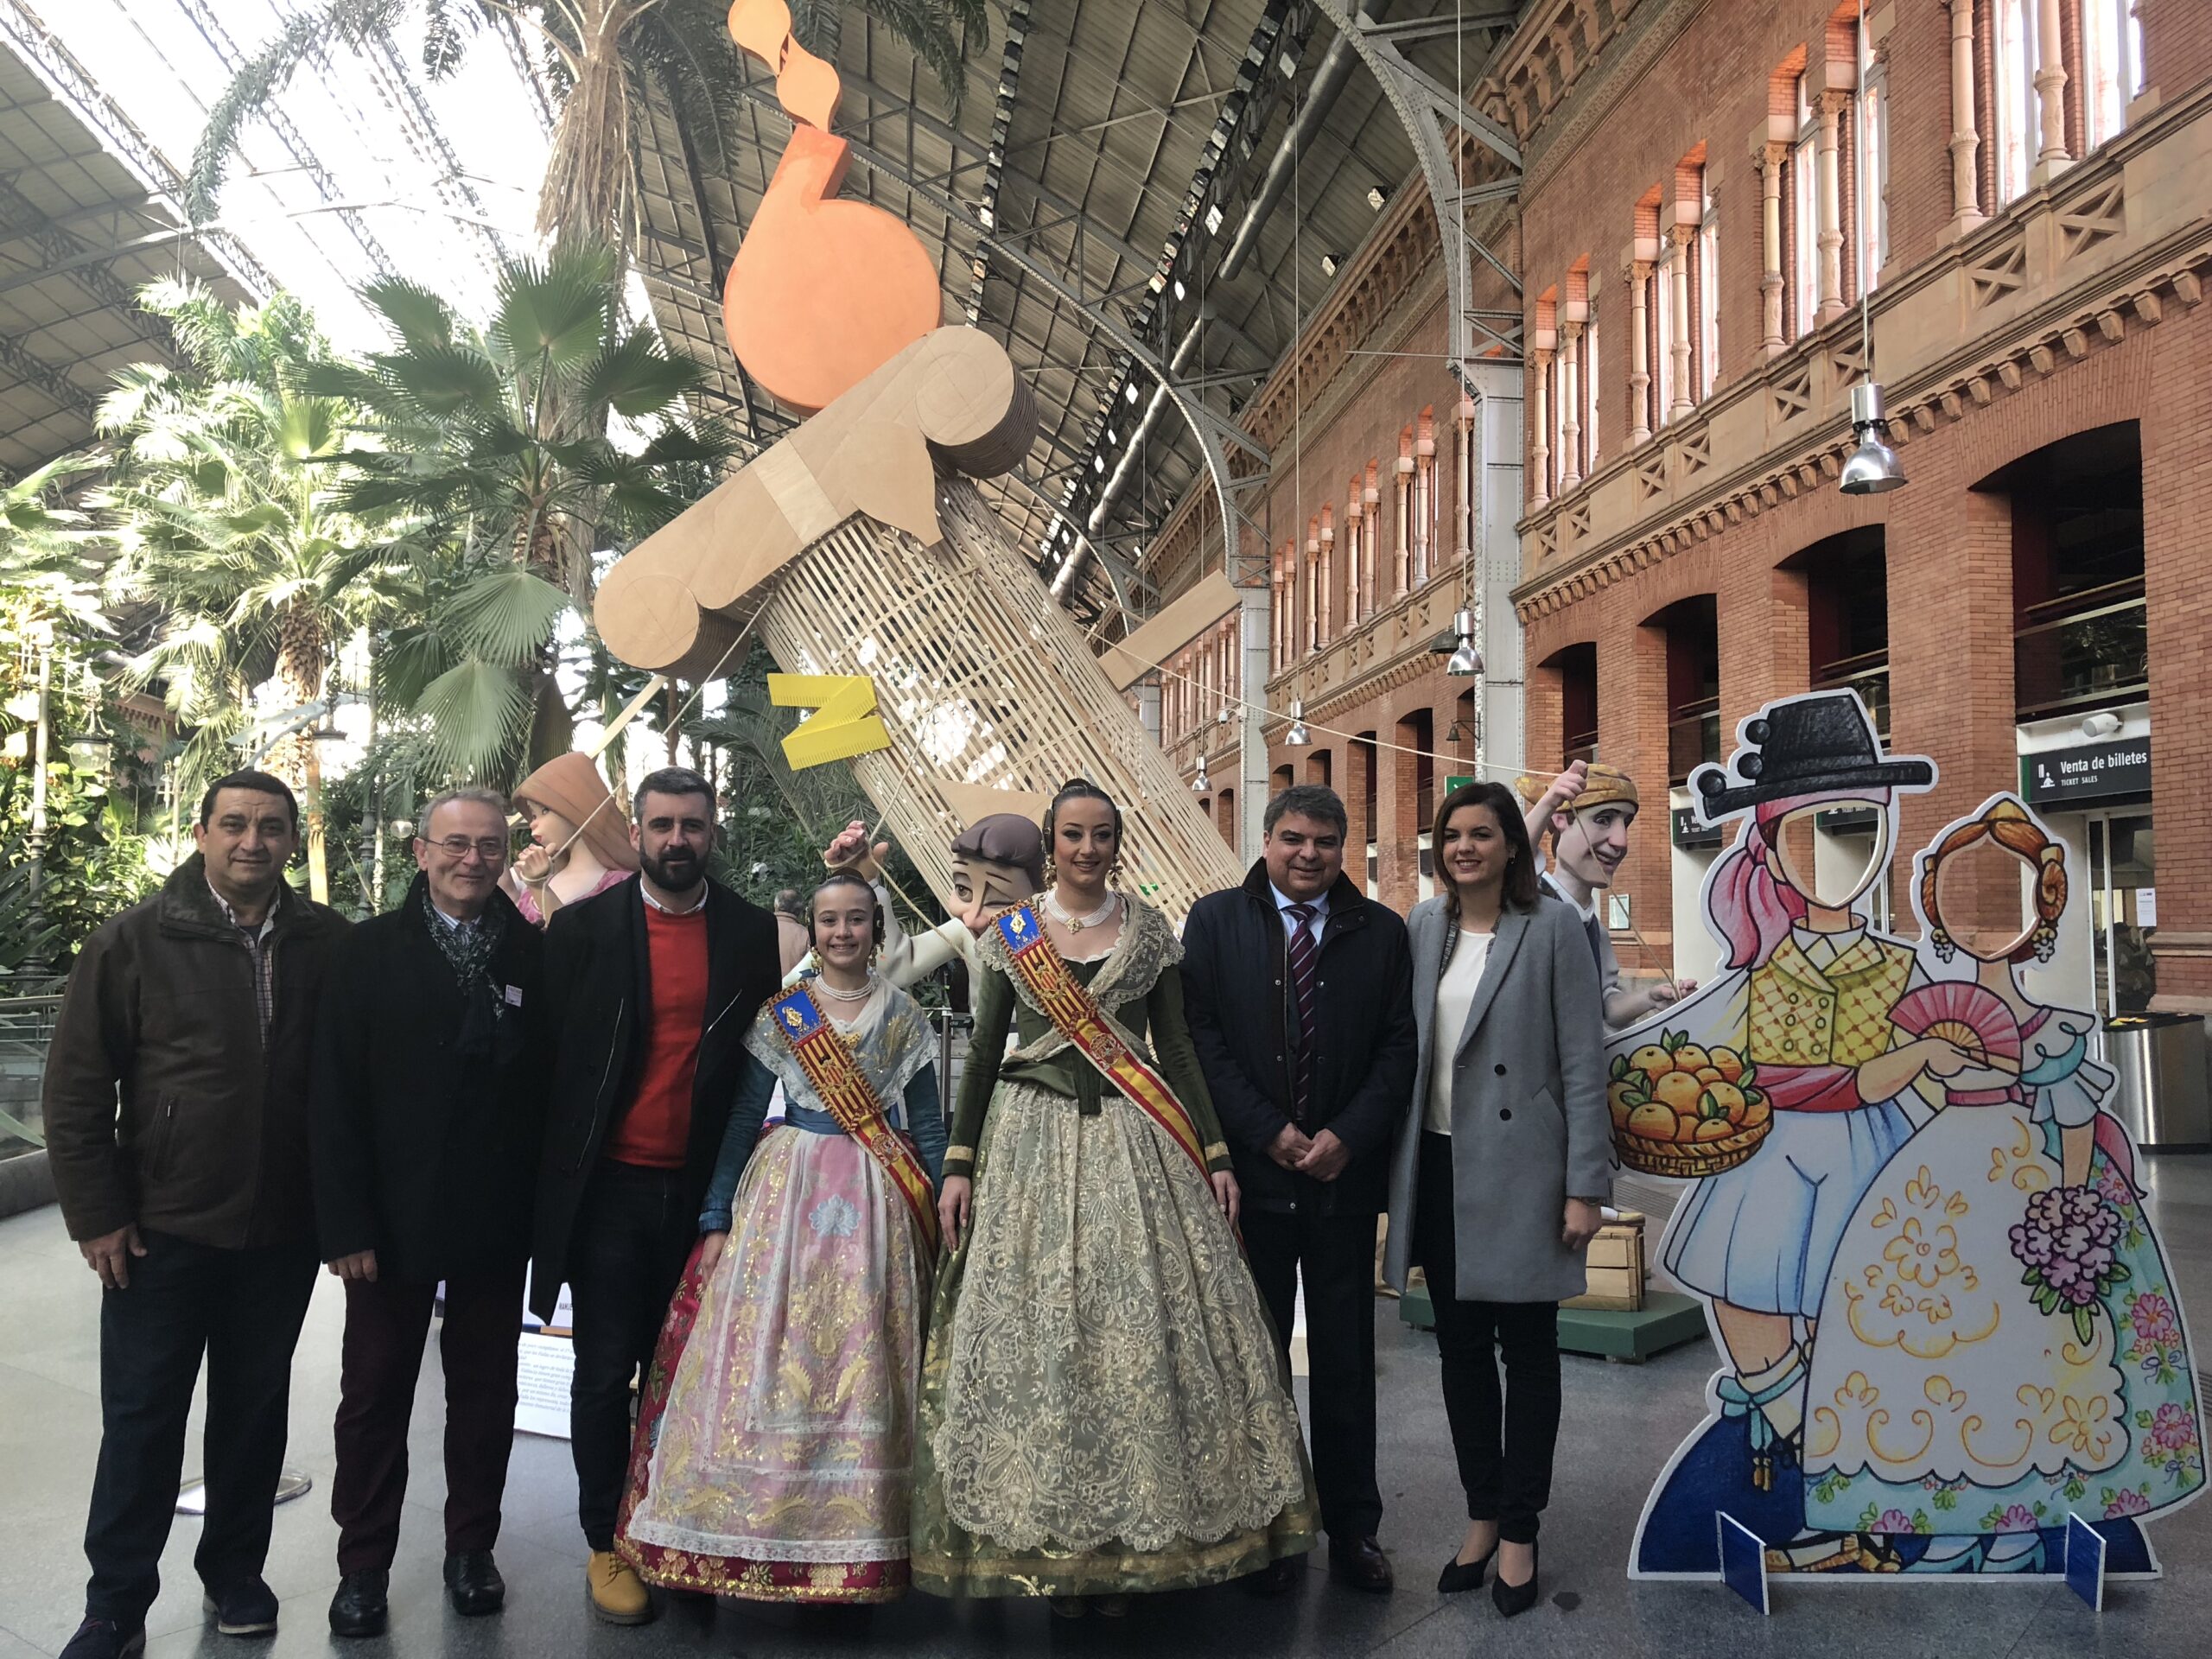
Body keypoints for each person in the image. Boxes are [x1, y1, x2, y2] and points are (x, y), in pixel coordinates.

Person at [912, 779, 1318, 1614]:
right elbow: (986, 1049)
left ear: (1116, 844)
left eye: (1101, 835)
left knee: (1137, 1333)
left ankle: (1141, 1543)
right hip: (1029, 1146)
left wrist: (1215, 1155)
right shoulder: (1012, 935)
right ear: (1050, 846)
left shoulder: (1147, 931)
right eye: (1072, 835)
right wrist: (958, 1163)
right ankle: (1057, 1545)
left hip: (1138, 1144)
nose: (1087, 849)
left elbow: (1173, 1043)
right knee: (1042, 1335)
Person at [1800, 795, 2204, 1572]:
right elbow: (1875, 1085)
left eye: (2005, 897)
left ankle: (2025, 1519)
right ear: (1936, 914)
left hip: (2033, 1190)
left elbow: (2076, 1119)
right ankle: (1939, 1515)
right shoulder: (1924, 1022)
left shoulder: (2054, 1029)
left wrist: (2073, 1209)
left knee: (2033, 1345)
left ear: (2041, 914)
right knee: (1922, 1336)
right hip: (1932, 1192)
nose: (1979, 925)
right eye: (1955, 900)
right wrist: (1927, 1058)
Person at [1622, 693, 1967, 1577]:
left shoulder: (1901, 965)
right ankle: (1829, 1477)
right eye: (1807, 829)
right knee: (1756, 1311)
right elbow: (1689, 1049)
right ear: (1769, 845)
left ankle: (1861, 1496)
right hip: (1771, 1165)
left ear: (1886, 833)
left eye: (1855, 823)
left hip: (1874, 1163)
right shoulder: (1756, 971)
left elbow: (1949, 1060)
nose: (1834, 854)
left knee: (1864, 1324)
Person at [41, 771, 349, 1659]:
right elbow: (73, 1091)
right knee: (142, 1417)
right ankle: (116, 1605)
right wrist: (98, 1215)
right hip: (160, 1227)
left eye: (271, 828)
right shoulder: (134, 941)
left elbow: (350, 1085)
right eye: (235, 825)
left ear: (293, 839)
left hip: (280, 1231)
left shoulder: (327, 941)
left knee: (253, 1414)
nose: (252, 841)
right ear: (203, 832)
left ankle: (234, 1573)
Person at [616, 872, 946, 1601]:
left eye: (856, 920)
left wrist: (946, 1205)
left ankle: (862, 1537)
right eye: (829, 920)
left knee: (865, 1353)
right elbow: (739, 1121)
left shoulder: (905, 1016)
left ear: (876, 929)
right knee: (775, 1349)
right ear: (813, 928)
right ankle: (763, 1526)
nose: (842, 934)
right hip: (786, 1192)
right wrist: (714, 1217)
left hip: (875, 1196)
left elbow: (926, 1124)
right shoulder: (784, 1014)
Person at [529, 766, 782, 1625]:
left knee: (692, 1376)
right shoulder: (585, 929)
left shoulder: (749, 933)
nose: (678, 839)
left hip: (707, 1193)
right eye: (662, 824)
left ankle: (680, 1528)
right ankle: (608, 1540)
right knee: (605, 1372)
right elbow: (548, 1066)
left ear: (713, 833)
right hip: (609, 1191)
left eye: (693, 826)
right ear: (636, 833)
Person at [311, 788, 550, 1636]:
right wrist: (344, 1227)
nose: (472, 860)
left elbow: (548, 1099)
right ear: (422, 851)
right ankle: (363, 1565)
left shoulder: (534, 955)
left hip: (492, 1222)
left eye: (489, 846)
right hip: (387, 1224)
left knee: (485, 1395)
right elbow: (331, 1096)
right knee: (374, 1395)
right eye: (455, 844)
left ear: (506, 854)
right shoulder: (366, 952)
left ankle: (470, 1549)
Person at [1380, 780, 1609, 1617]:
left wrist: (1586, 1186)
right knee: (1461, 1352)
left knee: (1530, 1348)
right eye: (1451, 835)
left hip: (1525, 1170)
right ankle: (1480, 1512)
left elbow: (1585, 1063)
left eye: (1481, 833)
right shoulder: (1422, 927)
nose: (1464, 847)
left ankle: (1520, 1526)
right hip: (1436, 1165)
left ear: (1513, 844)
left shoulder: (1551, 928)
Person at [1181, 783, 1415, 1593]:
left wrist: (1346, 1136)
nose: (1307, 854)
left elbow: (1398, 1049)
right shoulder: (1214, 922)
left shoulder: (1380, 933)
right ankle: (1267, 1530)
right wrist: (1263, 1131)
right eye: (1292, 839)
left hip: (1342, 1184)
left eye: (1323, 841)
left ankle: (1354, 1529)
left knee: (1349, 1363)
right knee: (1256, 1360)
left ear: (1342, 847)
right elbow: (1199, 1037)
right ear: (1267, 841)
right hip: (1251, 1182)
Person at [1517, 760, 1694, 1027]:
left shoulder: (1594, 929)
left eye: (1626, 823)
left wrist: (1649, 998)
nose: (1620, 841)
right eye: (1603, 820)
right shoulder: (1529, 902)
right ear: (1560, 819)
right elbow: (1509, 863)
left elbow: (1605, 1005)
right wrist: (1549, 801)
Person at [818, 811, 1046, 987]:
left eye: (999, 900)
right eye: (963, 891)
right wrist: (864, 884)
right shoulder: (964, 931)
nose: (972, 920)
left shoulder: (1063, 929)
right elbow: (896, 968)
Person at [505, 752, 639, 927]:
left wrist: (538, 887)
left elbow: (573, 942)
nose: (533, 823)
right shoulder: (544, 880)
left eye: (544, 811)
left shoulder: (622, 886)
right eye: (533, 815)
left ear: (575, 806)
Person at [772, 887, 810, 977]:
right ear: (800, 910)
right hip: (794, 990)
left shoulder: (759, 927)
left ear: (776, 906)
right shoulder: (805, 935)